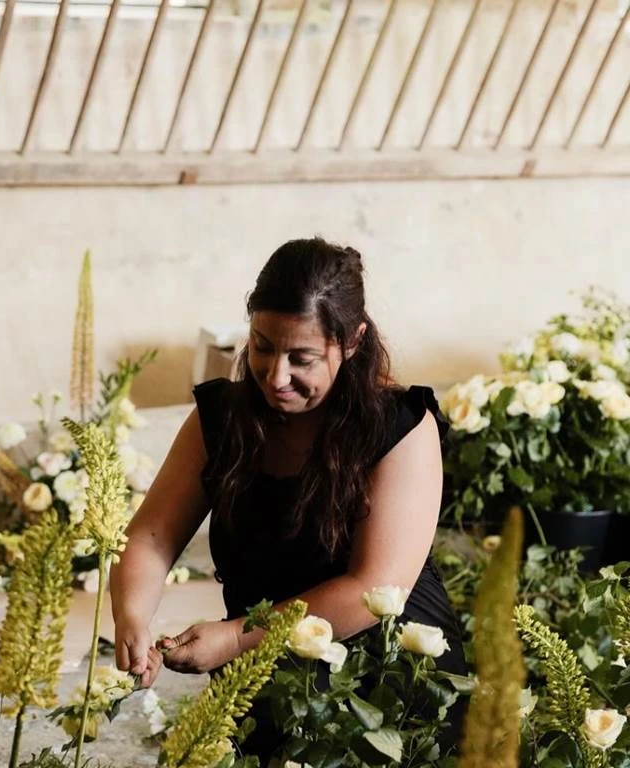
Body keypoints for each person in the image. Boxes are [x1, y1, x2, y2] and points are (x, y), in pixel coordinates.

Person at [109, 237, 468, 761]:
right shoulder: (222, 419)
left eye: (302, 358)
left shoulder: (400, 428)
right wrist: (132, 616)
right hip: (263, 674)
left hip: (385, 675)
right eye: (263, 347)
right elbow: (151, 535)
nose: (276, 377)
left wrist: (237, 639)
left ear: (352, 341)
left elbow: (372, 587)